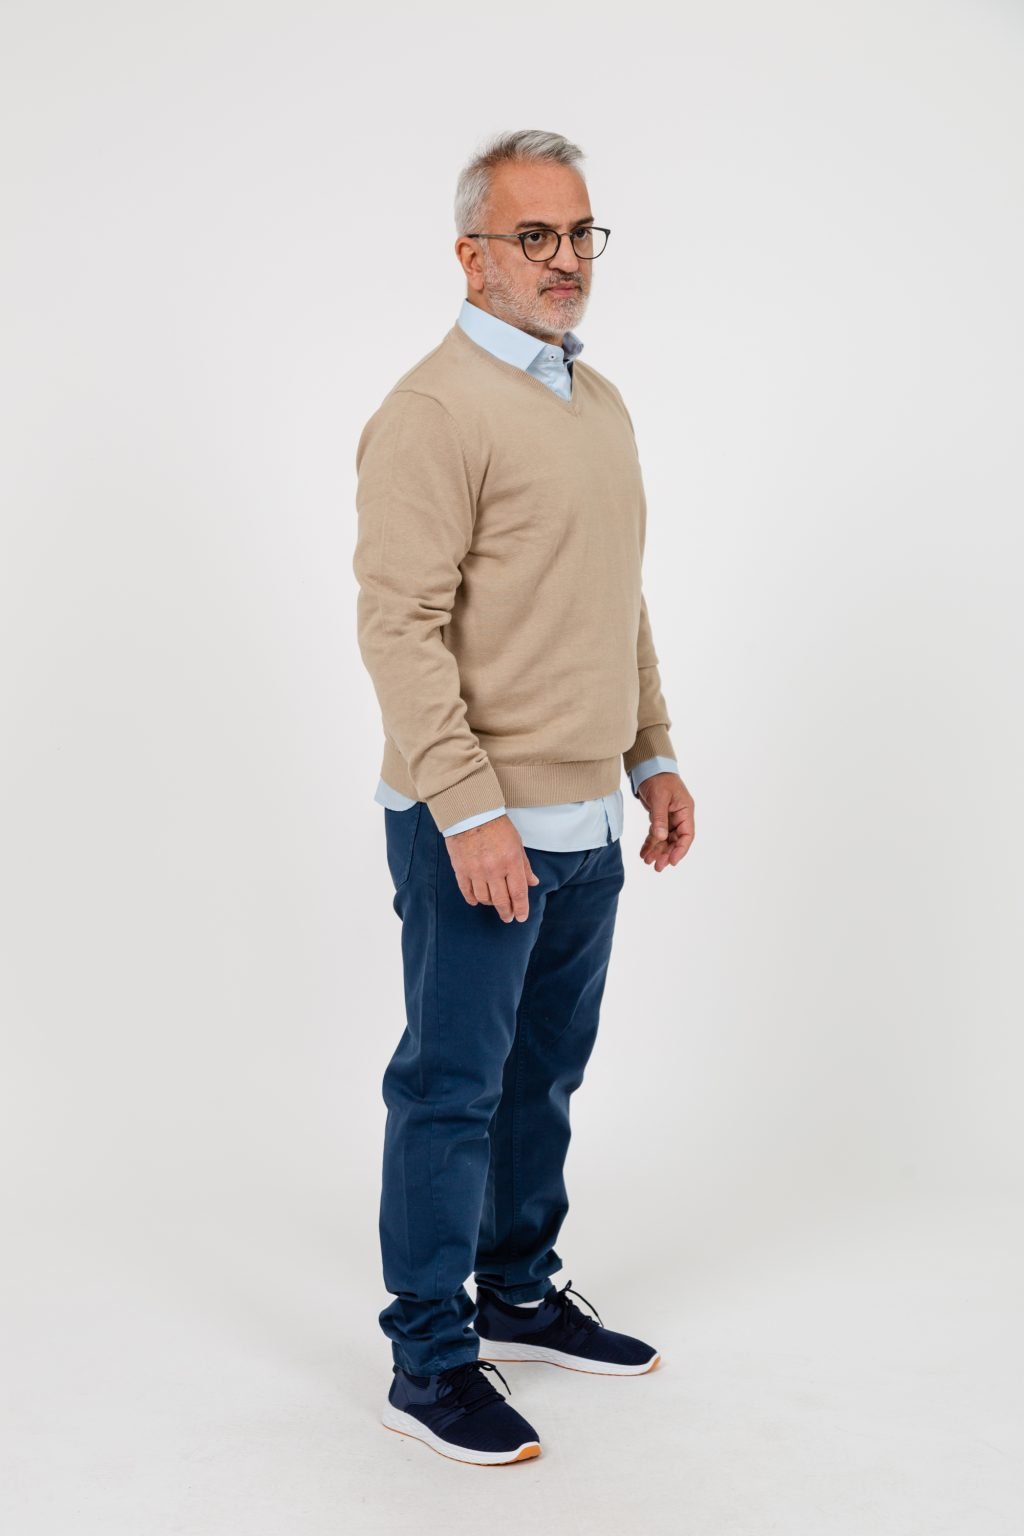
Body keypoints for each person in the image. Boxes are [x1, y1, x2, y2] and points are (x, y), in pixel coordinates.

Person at [352, 128, 695, 1467]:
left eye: (579, 233)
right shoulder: (434, 412)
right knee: (451, 1089)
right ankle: (428, 1358)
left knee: (541, 1077)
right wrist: (468, 807)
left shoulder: (594, 401)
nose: (565, 260)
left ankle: (518, 1291)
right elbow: (398, 628)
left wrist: (651, 752)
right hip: (473, 828)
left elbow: (619, 597)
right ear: (472, 255)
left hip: (587, 821)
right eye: (533, 236)